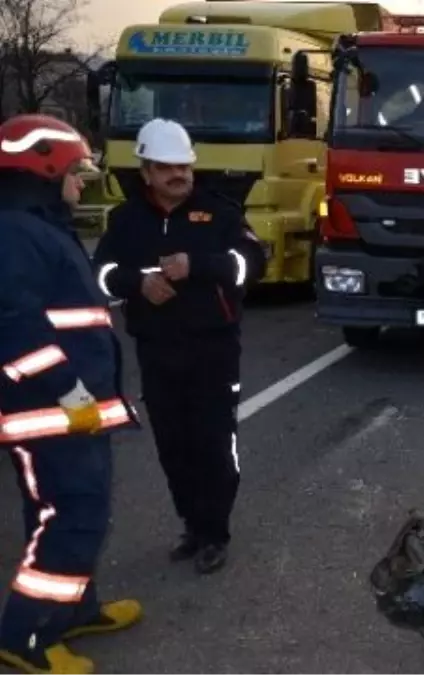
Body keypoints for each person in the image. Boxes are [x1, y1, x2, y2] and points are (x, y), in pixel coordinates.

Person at [0, 114, 143, 675]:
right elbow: (15, 327)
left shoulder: (35, 225)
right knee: (73, 515)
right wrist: (70, 393)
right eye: (74, 171)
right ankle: (25, 634)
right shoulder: (16, 231)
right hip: (54, 410)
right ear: (44, 168)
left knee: (66, 510)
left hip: (69, 410)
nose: (80, 181)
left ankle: (75, 608)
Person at [92, 118, 265, 575]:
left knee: (214, 443)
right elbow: (100, 275)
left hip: (213, 350)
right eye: (167, 168)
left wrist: (199, 265)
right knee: (173, 444)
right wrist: (137, 283)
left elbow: (252, 264)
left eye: (184, 166)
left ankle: (215, 533)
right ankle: (191, 525)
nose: (179, 175)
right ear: (146, 171)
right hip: (156, 349)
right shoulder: (125, 221)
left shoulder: (220, 212)